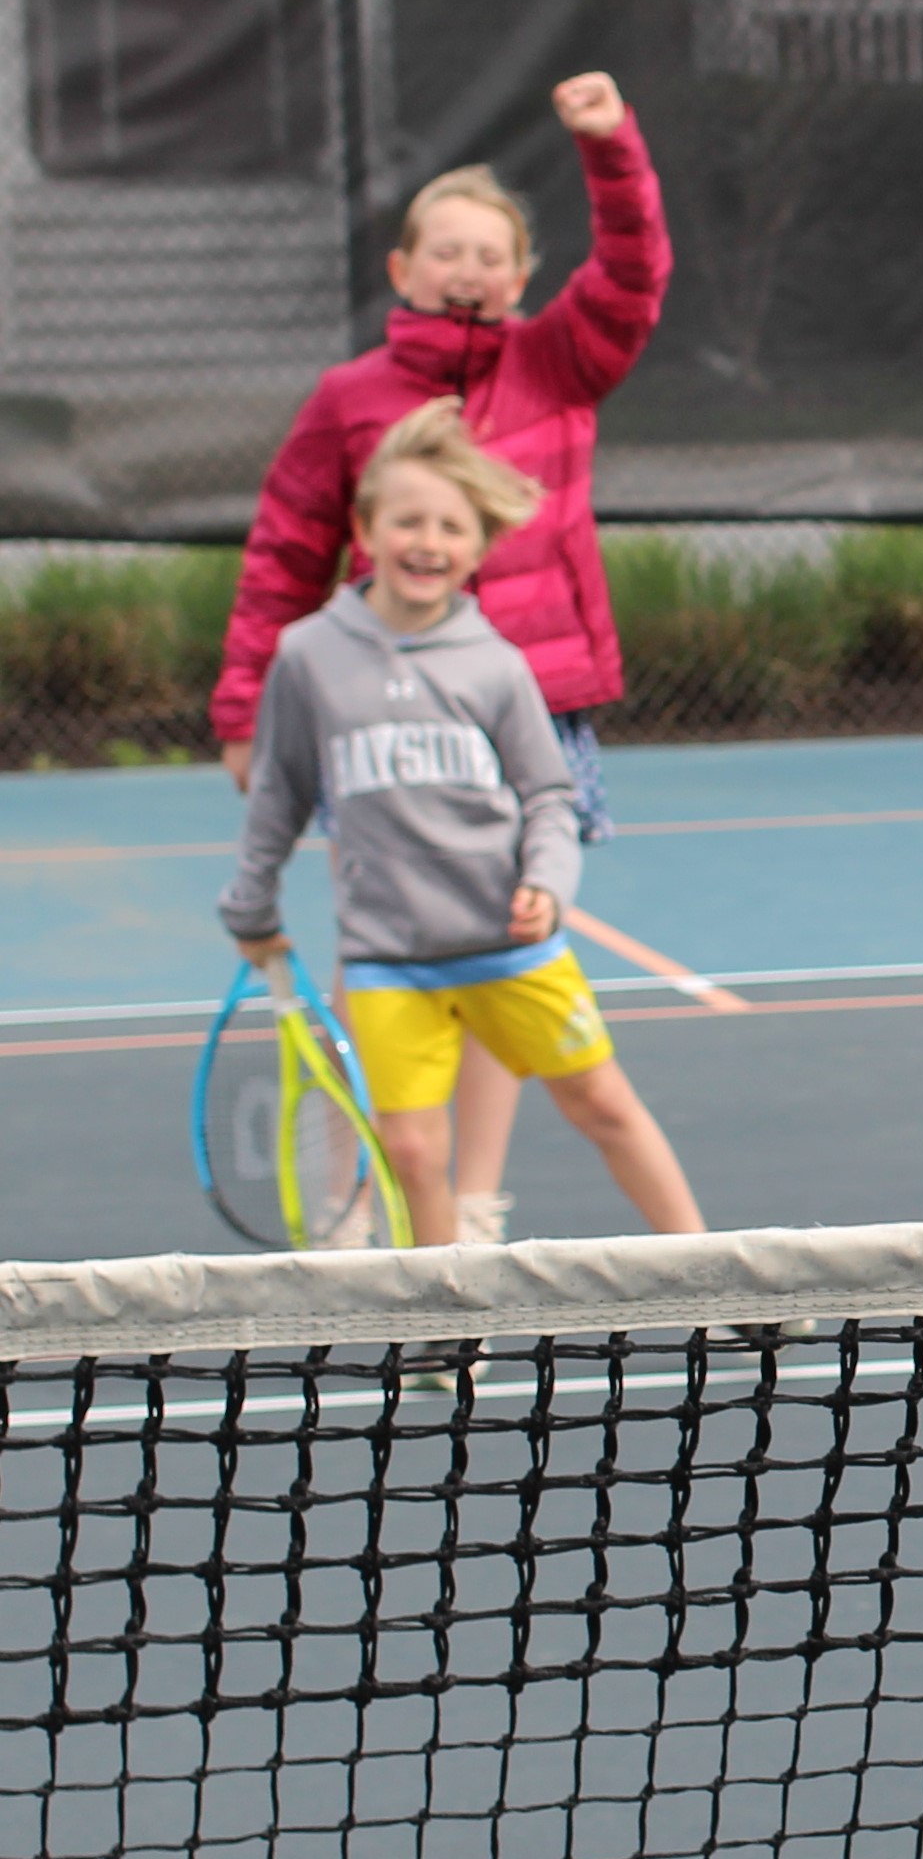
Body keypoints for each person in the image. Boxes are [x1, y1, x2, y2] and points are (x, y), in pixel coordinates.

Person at [215, 72, 670, 1248]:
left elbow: (632, 273)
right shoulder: (349, 399)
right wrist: (241, 704)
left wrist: (610, 146)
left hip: (535, 709)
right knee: (427, 952)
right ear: (402, 271)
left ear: (520, 279)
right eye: (445, 248)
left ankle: (472, 1197)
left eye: (490, 252)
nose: (467, 268)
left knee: (500, 949)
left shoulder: (562, 359)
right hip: (384, 714)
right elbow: (284, 552)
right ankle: (421, 1187)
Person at [214, 403, 706, 1322]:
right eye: (407, 520)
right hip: (387, 963)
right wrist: (250, 903)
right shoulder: (308, 658)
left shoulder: (497, 664)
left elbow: (549, 797)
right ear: (364, 532)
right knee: (409, 1151)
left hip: (511, 952)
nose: (427, 541)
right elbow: (278, 795)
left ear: (479, 547)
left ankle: (719, 1275)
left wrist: (548, 885)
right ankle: (451, 1322)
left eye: (450, 526)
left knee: (602, 1104)